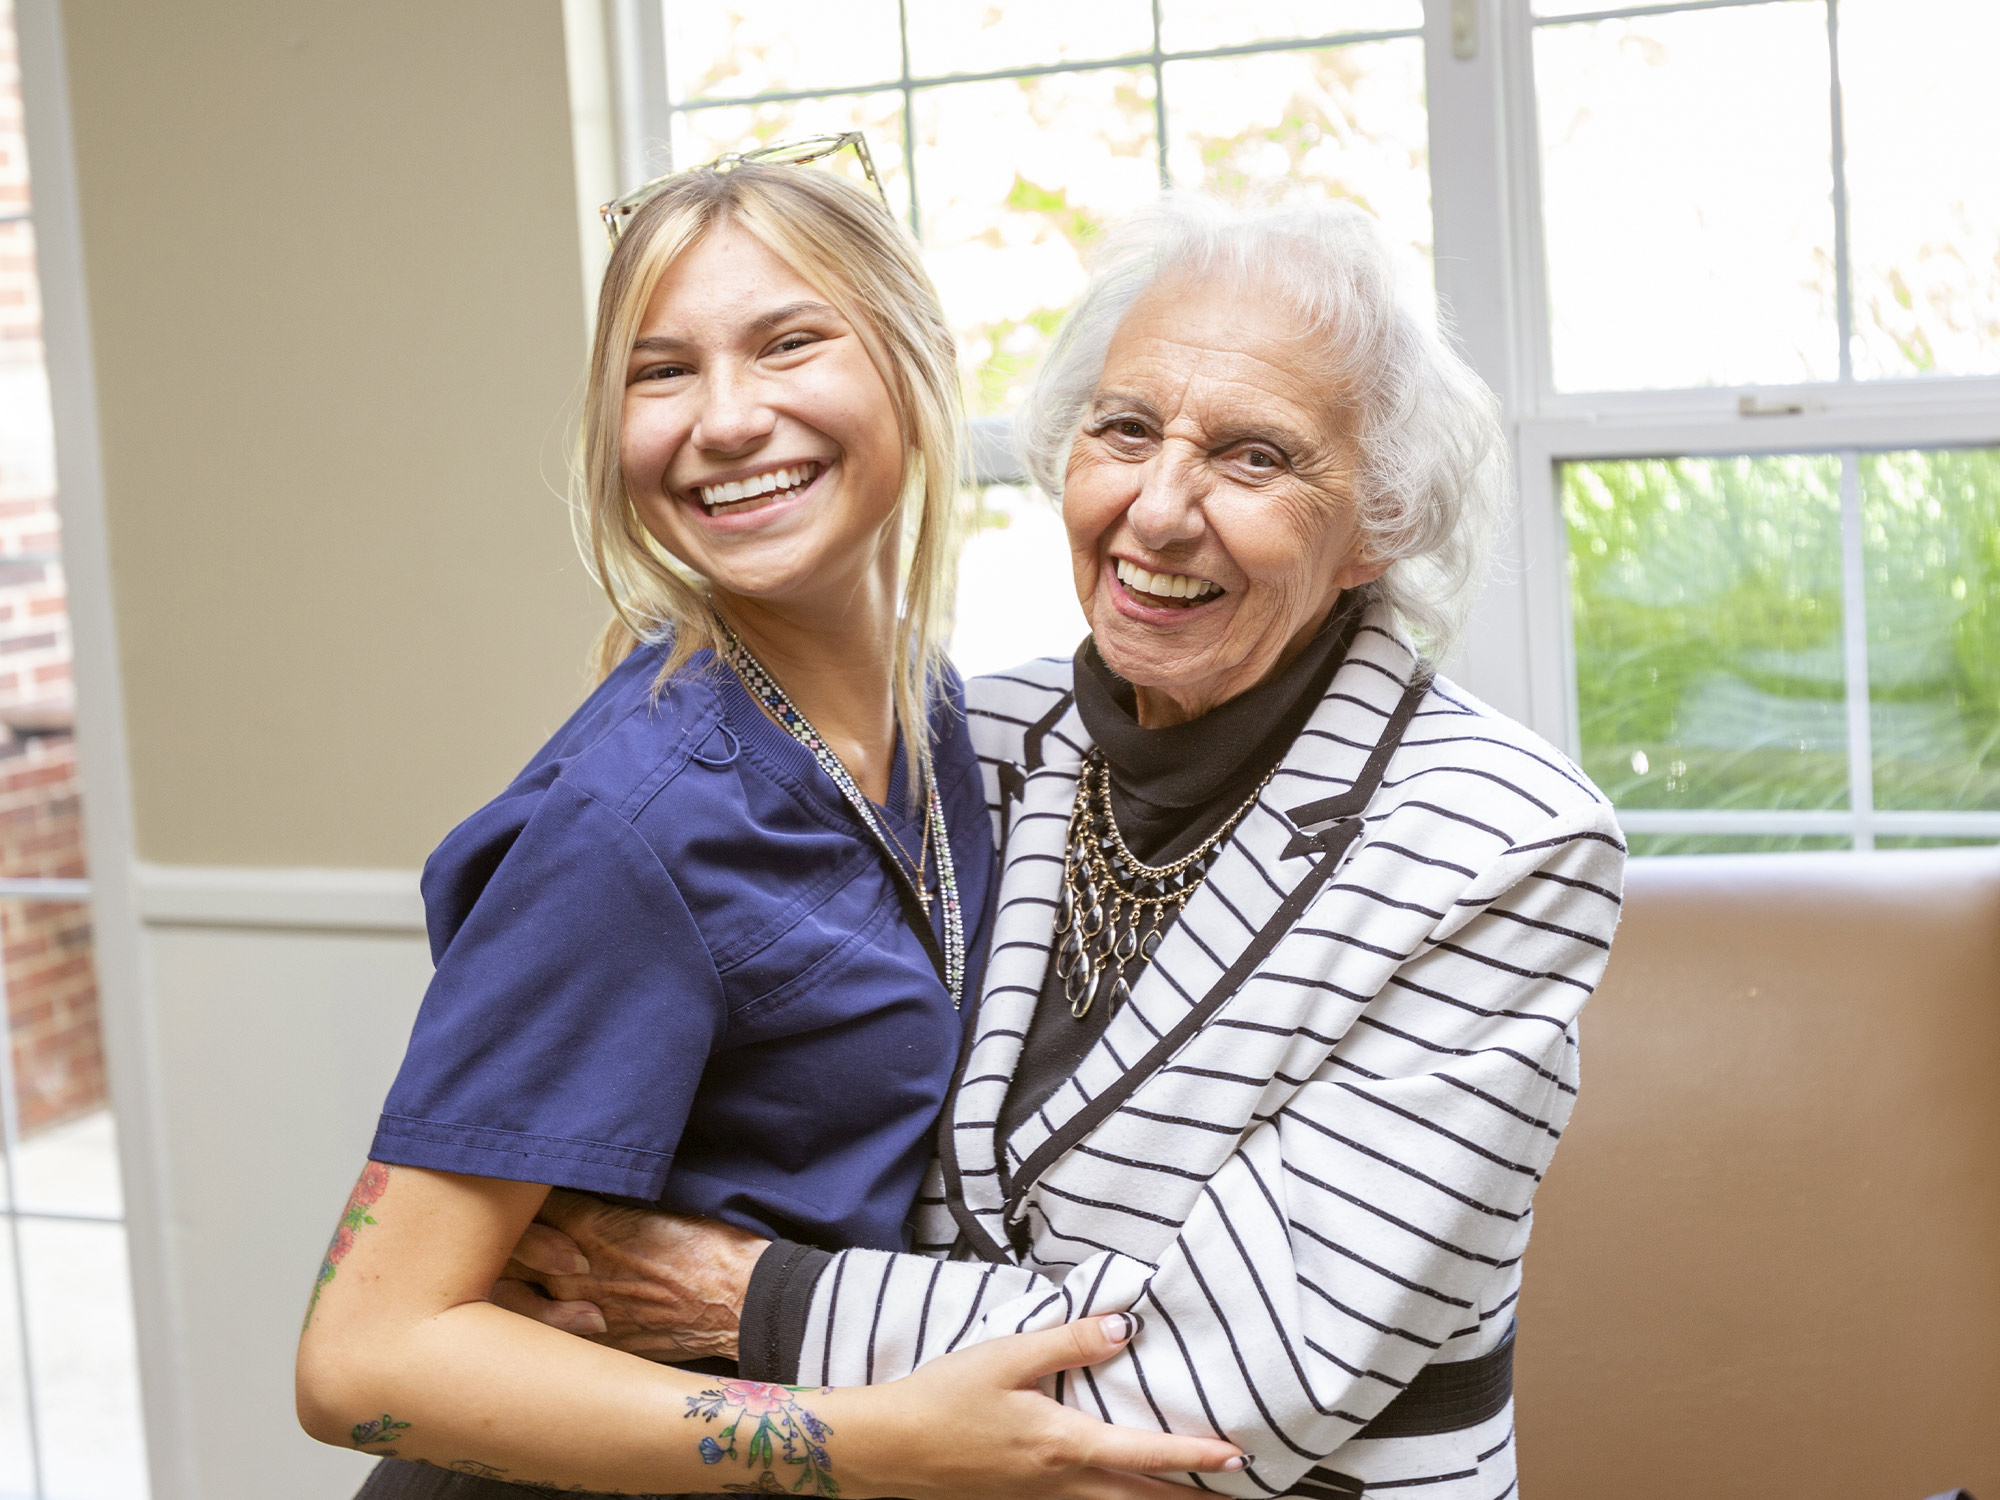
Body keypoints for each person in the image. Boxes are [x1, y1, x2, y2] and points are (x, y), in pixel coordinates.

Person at [498, 195, 1628, 1500]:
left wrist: (747, 1296)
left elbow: (1237, 1385)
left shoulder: (1499, 841)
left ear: (1380, 521)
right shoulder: (961, 738)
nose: (1158, 510)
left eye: (1254, 458)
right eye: (1127, 430)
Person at [294, 143, 1246, 1499]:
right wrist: (882, 1445)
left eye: (789, 343)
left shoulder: (938, 726)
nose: (726, 418)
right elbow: (361, 1358)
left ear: (912, 368)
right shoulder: (631, 824)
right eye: (661, 370)